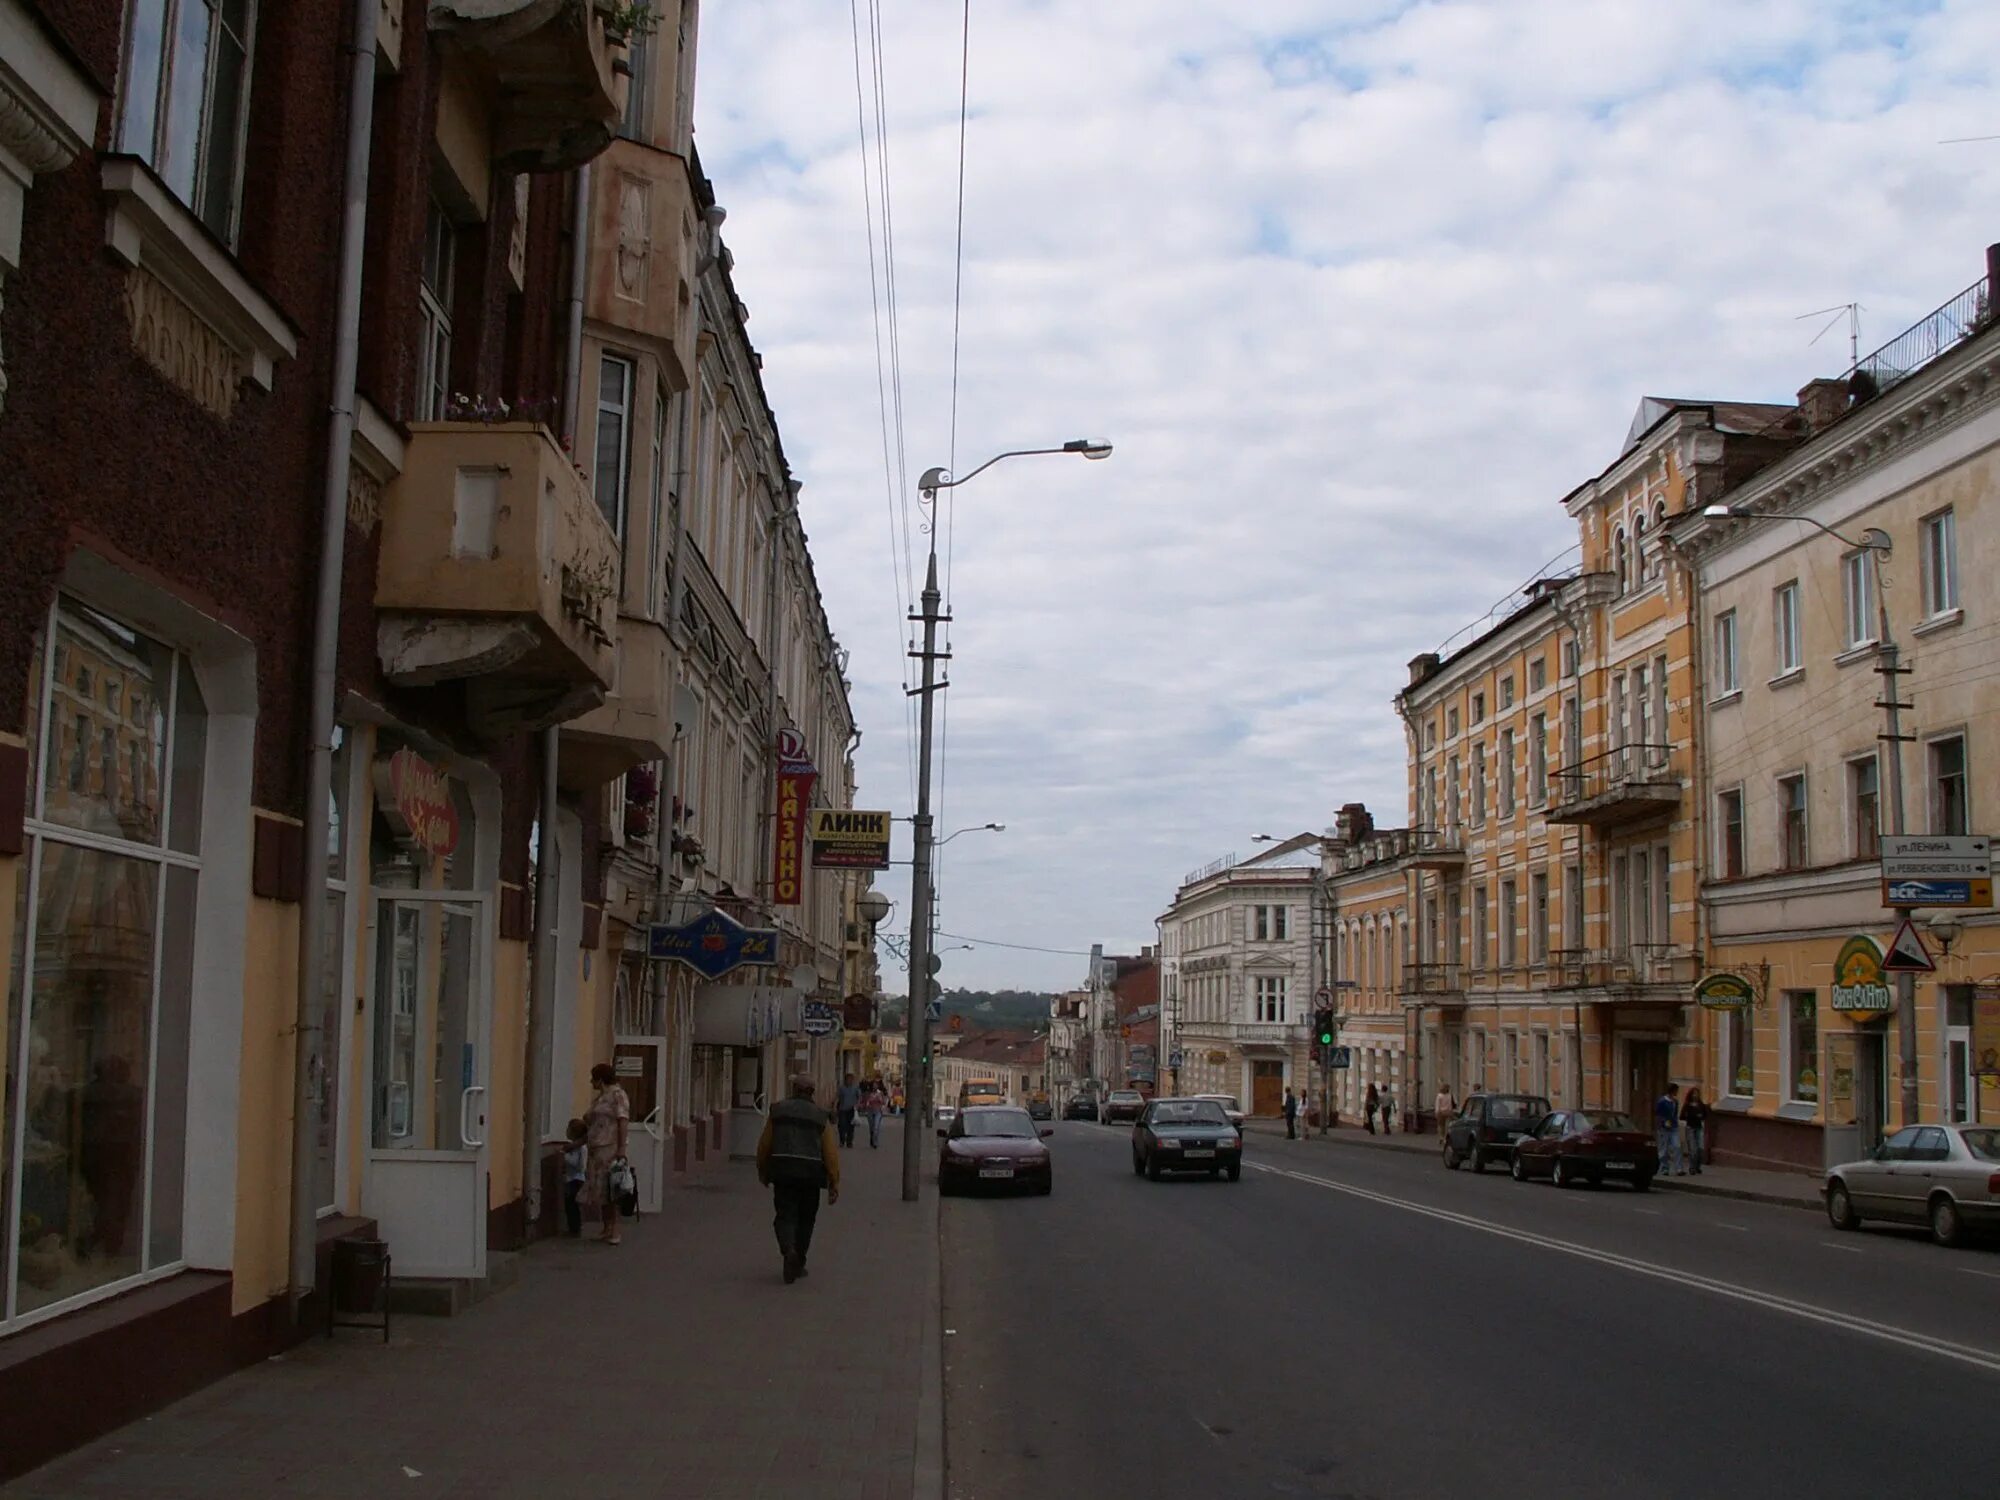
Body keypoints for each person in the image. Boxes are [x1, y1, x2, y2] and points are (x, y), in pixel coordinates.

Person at [756, 1075, 841, 1284]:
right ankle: (799, 1260)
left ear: (793, 1089)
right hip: (811, 1176)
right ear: (812, 1092)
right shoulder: (820, 1116)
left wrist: (763, 1171)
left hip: (783, 1173)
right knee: (806, 1219)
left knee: (785, 1215)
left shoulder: (778, 1110)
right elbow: (830, 1153)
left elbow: (764, 1145)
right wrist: (834, 1182)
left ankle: (788, 1250)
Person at [584, 1062, 631, 1245]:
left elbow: (623, 1121)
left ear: (601, 1079)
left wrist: (621, 1149)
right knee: (601, 1190)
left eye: (593, 1078)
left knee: (612, 1189)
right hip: (596, 1149)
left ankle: (615, 1230)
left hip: (609, 1148)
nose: (591, 1082)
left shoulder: (618, 1096)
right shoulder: (601, 1098)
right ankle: (606, 1228)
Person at [562, 1118, 588, 1237]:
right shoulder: (572, 1146)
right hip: (571, 1178)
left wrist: (565, 1157)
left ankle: (575, 1228)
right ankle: (572, 1227)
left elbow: (580, 1166)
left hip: (576, 1179)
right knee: (569, 1204)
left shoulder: (581, 1148)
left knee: (573, 1205)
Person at [1654, 1082, 1682, 1178]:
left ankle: (1679, 1168)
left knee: (1677, 1146)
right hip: (1663, 1128)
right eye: (1676, 1091)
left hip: (1673, 1127)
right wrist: (1662, 1122)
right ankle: (1664, 1168)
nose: (1677, 1092)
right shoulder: (1662, 1101)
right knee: (1663, 1149)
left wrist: (1674, 1122)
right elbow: (1657, 1114)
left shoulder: (1675, 1102)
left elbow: (1675, 1114)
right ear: (1672, 1091)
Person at [1682, 1086, 1709, 1175]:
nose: (1695, 1096)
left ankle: (1698, 1167)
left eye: (1696, 1094)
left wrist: (1701, 1116)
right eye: (1693, 1094)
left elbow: (1705, 1115)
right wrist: (1690, 1116)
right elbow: (1682, 1116)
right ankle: (1692, 1167)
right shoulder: (1687, 1105)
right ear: (1691, 1095)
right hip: (1690, 1127)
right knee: (1693, 1149)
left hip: (1699, 1127)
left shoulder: (1701, 1105)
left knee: (1700, 1148)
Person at [834, 1072, 862, 1148]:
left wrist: (857, 1105)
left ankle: (849, 1142)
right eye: (847, 1079)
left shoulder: (855, 1088)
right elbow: (837, 1097)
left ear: (852, 1080)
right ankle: (842, 1141)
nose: (849, 1081)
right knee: (842, 1125)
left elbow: (859, 1098)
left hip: (852, 1110)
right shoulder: (841, 1088)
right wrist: (834, 1107)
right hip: (842, 1109)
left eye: (850, 1079)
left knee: (850, 1127)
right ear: (845, 1080)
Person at [861, 1077, 887, 1149]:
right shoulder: (868, 1093)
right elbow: (864, 1102)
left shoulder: (880, 1093)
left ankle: (875, 1142)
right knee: (871, 1128)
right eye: (873, 1085)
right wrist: (865, 1104)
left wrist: (880, 1100)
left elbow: (884, 1102)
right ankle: (872, 1139)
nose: (875, 1086)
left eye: (876, 1085)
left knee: (876, 1127)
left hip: (878, 1111)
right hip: (870, 1111)